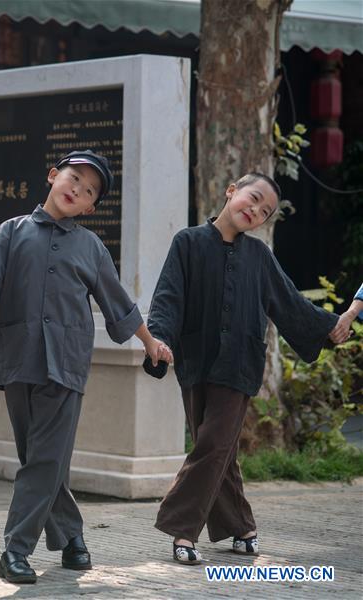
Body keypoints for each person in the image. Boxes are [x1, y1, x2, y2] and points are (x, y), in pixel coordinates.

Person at [0, 150, 172, 584]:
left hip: (66, 363)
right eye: (73, 178)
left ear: (90, 207)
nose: (77, 189)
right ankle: (71, 539)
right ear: (53, 176)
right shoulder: (11, 232)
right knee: (40, 459)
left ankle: (15, 550)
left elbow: (117, 302)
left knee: (45, 459)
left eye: (89, 191)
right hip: (17, 358)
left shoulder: (90, 246)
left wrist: (150, 343)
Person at [146, 172, 340, 564]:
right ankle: (242, 526)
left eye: (265, 211)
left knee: (213, 444)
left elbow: (290, 304)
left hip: (240, 363)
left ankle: (182, 530)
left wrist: (328, 327)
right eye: (253, 199)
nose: (255, 210)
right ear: (231, 190)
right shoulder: (187, 242)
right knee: (220, 451)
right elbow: (169, 295)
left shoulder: (259, 257)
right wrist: (158, 339)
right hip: (195, 358)